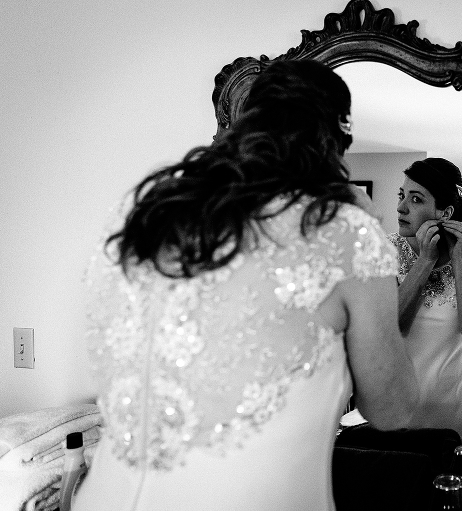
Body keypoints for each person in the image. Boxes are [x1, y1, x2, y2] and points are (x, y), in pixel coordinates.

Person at [74, 60, 417, 511]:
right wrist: (367, 221)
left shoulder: (150, 216)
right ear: (335, 143)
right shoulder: (346, 235)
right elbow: (394, 411)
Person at [387, 157, 462, 446]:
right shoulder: (386, 251)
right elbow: (392, 328)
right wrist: (425, 261)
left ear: (445, 212)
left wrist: (459, 264)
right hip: (400, 405)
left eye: (416, 199)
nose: (402, 207)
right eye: (402, 196)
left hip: (457, 408)